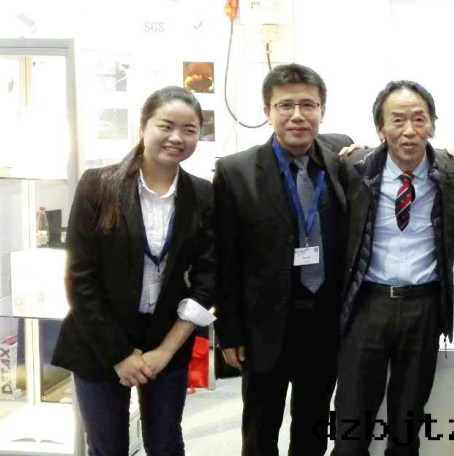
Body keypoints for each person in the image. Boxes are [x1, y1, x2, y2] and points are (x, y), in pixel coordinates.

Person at [53, 86, 215, 456]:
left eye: (189, 130)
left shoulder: (203, 194)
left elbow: (208, 278)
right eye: (166, 126)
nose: (177, 137)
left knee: (166, 443)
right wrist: (120, 355)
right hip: (98, 338)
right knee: (107, 446)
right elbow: (80, 278)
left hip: (167, 338)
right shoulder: (99, 185)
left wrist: (166, 351)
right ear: (142, 128)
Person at [214, 64, 352, 456]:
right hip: (264, 327)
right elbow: (225, 260)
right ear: (267, 111)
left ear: (322, 110)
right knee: (260, 430)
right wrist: (229, 332)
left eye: (308, 105)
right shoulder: (235, 171)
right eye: (285, 105)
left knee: (313, 428)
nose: (297, 115)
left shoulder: (342, 158)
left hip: (324, 323)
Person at [333, 80, 454, 456]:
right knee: (351, 424)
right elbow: (318, 147)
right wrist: (350, 146)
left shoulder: (453, 171)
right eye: (397, 120)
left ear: (432, 125)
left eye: (419, 119)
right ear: (380, 128)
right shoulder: (354, 167)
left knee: (407, 425)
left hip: (423, 308)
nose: (409, 130)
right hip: (367, 305)